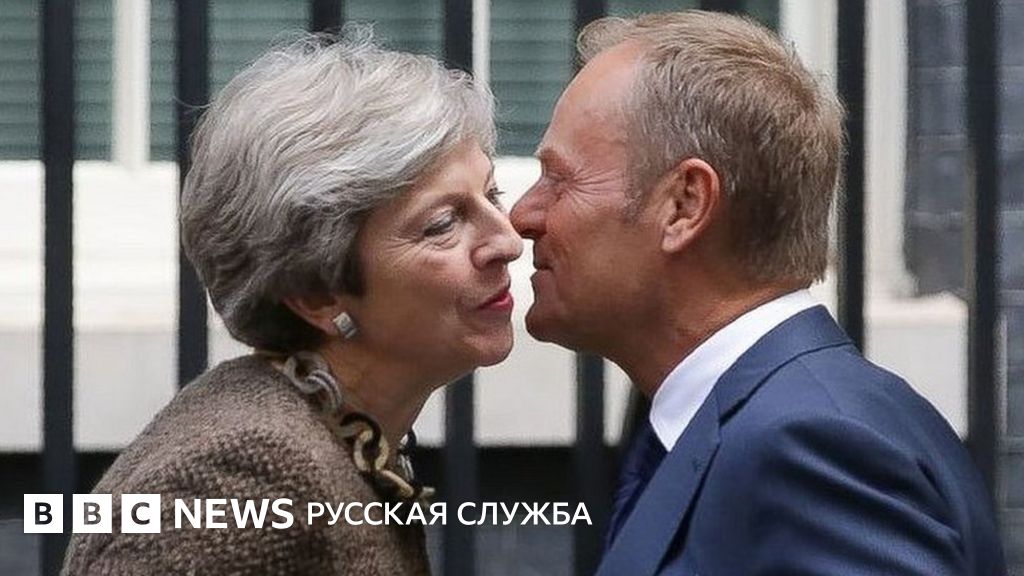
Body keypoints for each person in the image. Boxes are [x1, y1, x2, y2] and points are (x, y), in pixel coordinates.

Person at [510, 10, 1005, 575]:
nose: (522, 215)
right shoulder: (747, 420)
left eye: (560, 178)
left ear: (685, 205)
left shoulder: (809, 444)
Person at [63, 30, 521, 575]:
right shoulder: (243, 476)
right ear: (315, 292)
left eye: (492, 194)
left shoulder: (334, 433)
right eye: (443, 223)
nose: (508, 241)